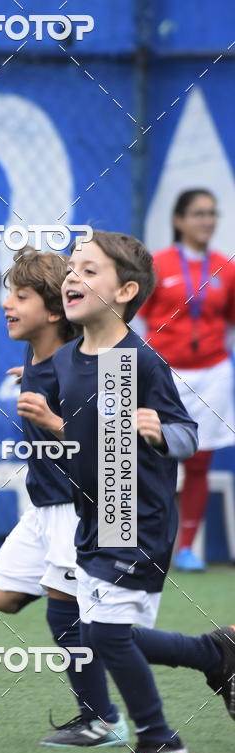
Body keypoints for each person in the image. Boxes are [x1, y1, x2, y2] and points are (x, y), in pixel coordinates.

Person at [27, 230, 235, 753]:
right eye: (73, 268)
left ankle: (160, 743)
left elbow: (189, 433)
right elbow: (89, 440)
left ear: (127, 291)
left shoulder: (139, 361)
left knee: (105, 635)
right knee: (96, 630)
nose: (74, 277)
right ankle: (217, 655)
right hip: (93, 517)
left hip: (137, 516)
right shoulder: (70, 359)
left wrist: (163, 432)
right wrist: (55, 425)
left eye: (90, 270)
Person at [0, 248, 128, 748]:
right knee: (1, 596)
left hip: (79, 504)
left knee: (62, 609)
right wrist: (35, 379)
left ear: (52, 313)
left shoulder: (82, 369)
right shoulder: (37, 352)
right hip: (43, 504)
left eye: (20, 297)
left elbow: (115, 447)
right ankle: (94, 612)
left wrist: (55, 421)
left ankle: (103, 720)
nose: (8, 305)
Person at [140, 189, 235, 571]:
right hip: (164, 374)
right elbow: (136, 320)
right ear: (179, 220)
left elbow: (228, 323)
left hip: (212, 372)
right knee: (148, 456)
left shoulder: (224, 267)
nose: (207, 221)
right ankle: (144, 543)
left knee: (199, 459)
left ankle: (187, 548)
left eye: (212, 213)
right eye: (198, 213)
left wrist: (214, 358)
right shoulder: (158, 265)